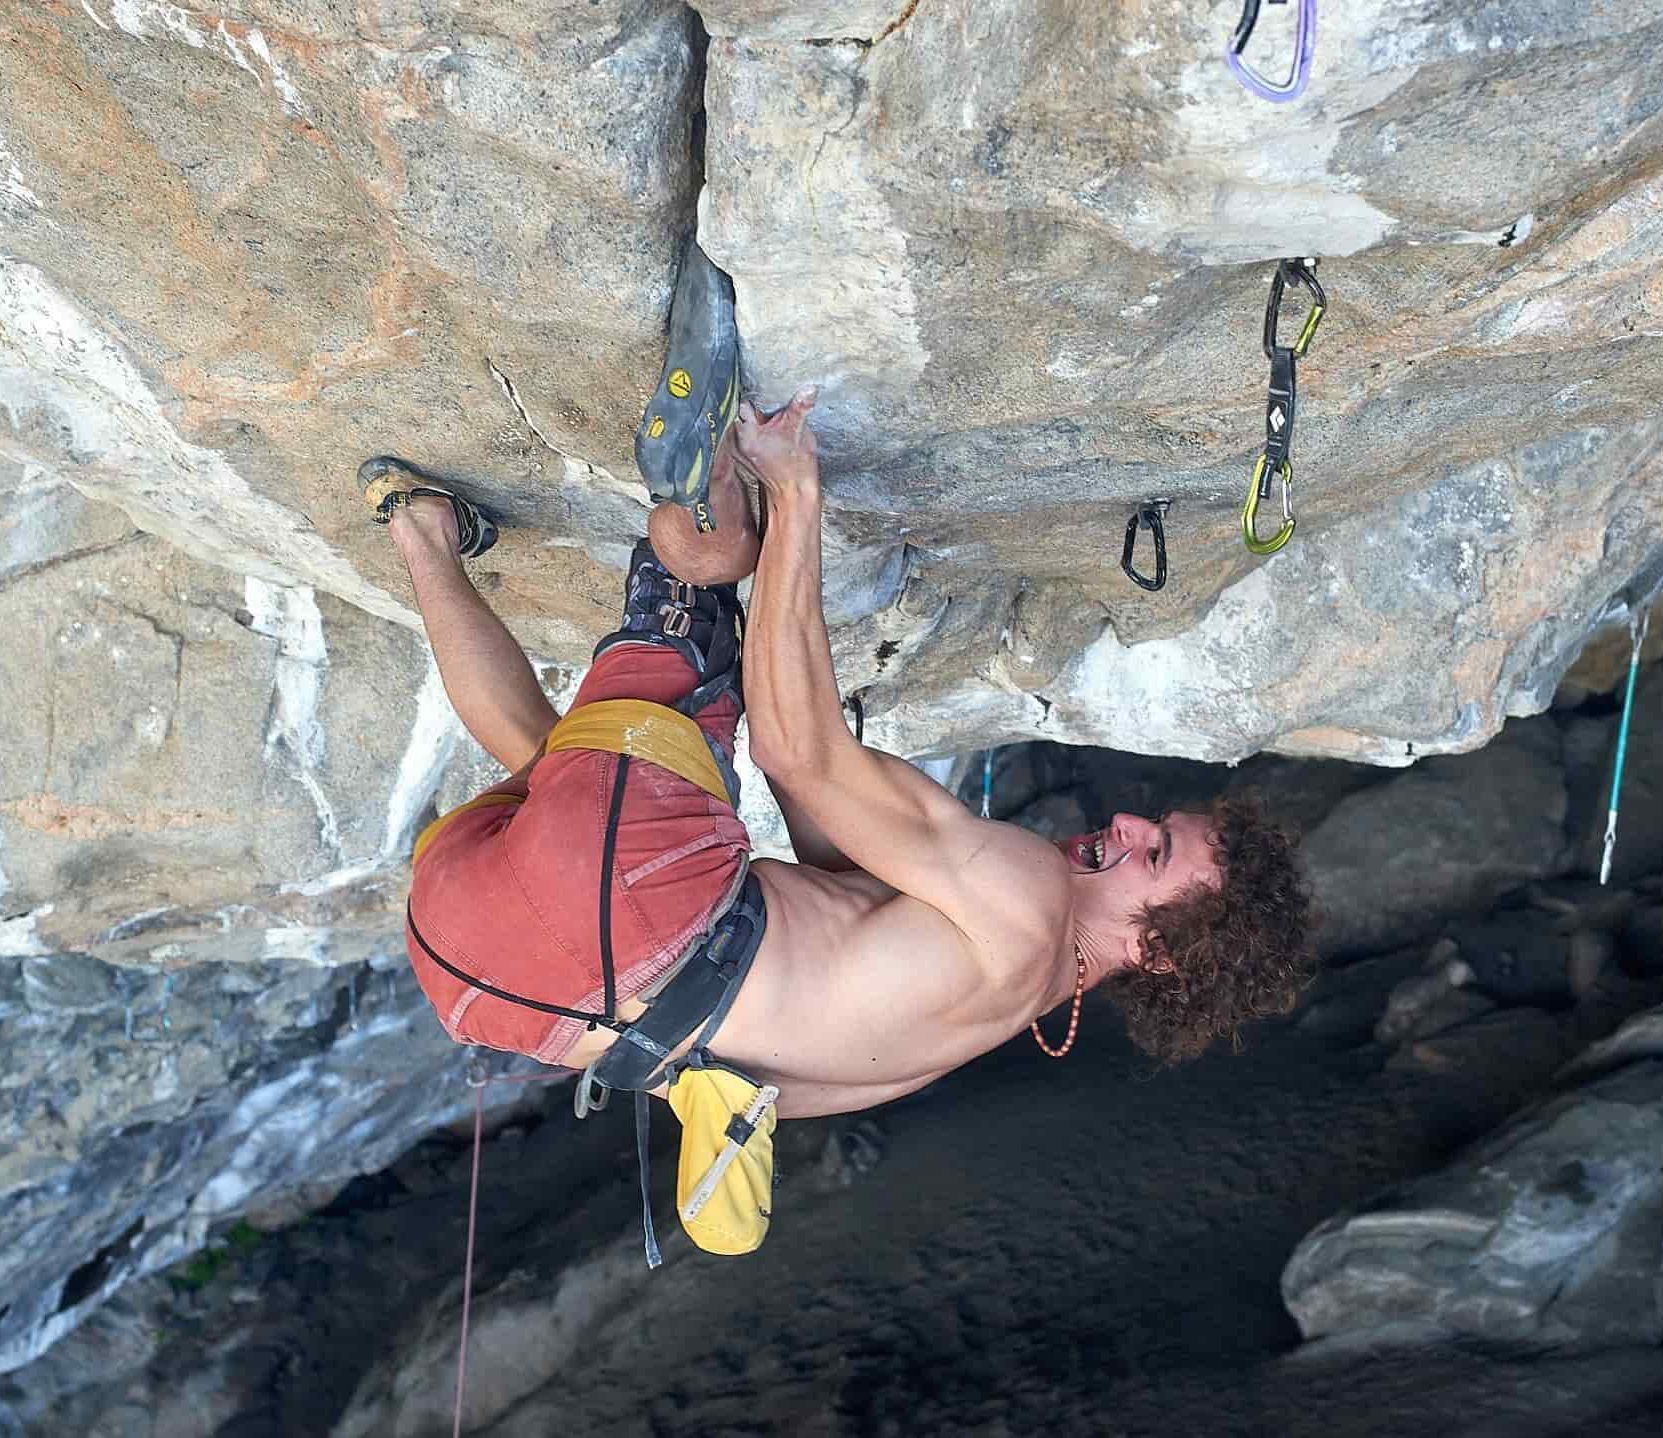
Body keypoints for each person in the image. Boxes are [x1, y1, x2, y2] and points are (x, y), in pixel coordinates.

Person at [371, 250, 1317, 1257]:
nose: (1128, 825)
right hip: (487, 982)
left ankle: (691, 505)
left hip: (622, 888)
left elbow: (795, 746)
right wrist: (798, 656)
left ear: (1160, 949)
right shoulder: (985, 1024)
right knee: (576, 768)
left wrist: (796, 501)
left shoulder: (1032, 900)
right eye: (1157, 824)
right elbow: (811, 815)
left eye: (1155, 855)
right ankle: (421, 532)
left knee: (698, 581)